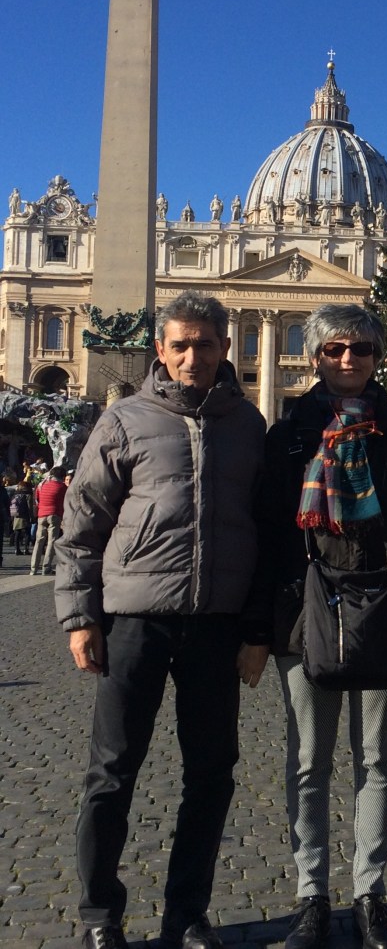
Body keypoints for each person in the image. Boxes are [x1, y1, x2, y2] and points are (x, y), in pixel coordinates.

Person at [54, 292, 267, 949]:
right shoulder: (124, 422)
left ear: (224, 348)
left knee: (211, 773)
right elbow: (81, 527)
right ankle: (98, 915)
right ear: (161, 351)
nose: (192, 356)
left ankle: (187, 912)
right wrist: (78, 617)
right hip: (134, 620)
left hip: (216, 624)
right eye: (179, 345)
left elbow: (266, 536)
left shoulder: (249, 425)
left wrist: (258, 631)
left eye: (204, 344)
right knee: (112, 771)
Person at [242, 304, 387, 949]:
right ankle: (310, 896)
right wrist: (265, 618)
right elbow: (267, 533)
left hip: (384, 609)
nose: (348, 360)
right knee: (308, 760)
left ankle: (369, 892)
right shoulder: (289, 436)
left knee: (377, 759)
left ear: (377, 356)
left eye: (361, 349)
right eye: (335, 349)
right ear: (314, 354)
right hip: (304, 615)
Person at [30, 465, 68, 576]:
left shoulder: (41, 485)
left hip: (41, 514)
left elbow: (36, 499)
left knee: (39, 541)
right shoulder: (62, 487)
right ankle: (46, 568)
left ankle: (33, 568)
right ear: (61, 476)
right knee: (51, 541)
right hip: (55, 515)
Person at [9, 480, 33, 555]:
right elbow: (30, 507)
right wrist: (31, 516)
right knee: (27, 533)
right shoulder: (28, 495)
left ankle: (17, 549)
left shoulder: (15, 494)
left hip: (16, 516)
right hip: (25, 516)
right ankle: (26, 549)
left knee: (17, 533)